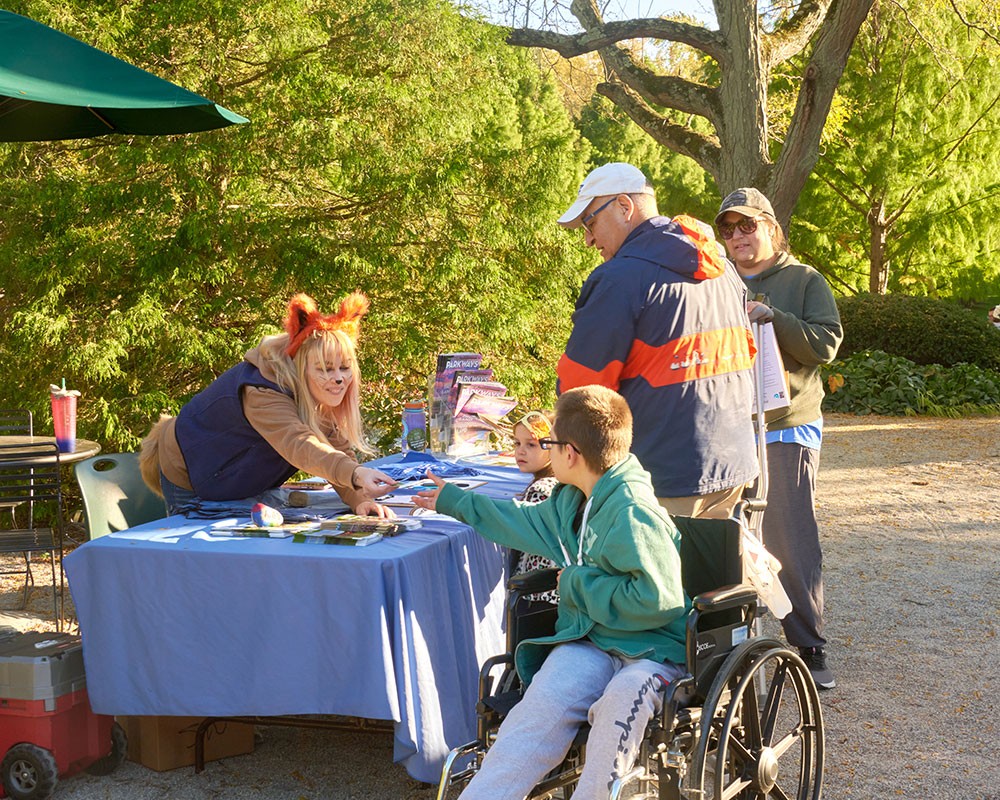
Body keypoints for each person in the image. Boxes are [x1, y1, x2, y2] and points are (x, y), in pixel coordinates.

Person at [414, 385, 689, 800]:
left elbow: (659, 598)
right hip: (593, 640)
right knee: (535, 714)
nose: (548, 450)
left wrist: (577, 582)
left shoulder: (633, 510)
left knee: (617, 707)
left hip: (652, 652)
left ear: (571, 453)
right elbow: (520, 521)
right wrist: (453, 500)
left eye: (550, 443)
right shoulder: (572, 500)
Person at [556, 162, 757, 520]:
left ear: (624, 206)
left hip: (657, 480)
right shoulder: (724, 270)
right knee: (718, 576)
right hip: (733, 467)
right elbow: (747, 355)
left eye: (590, 223)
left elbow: (581, 394)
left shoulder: (619, 280)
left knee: (650, 577)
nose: (587, 239)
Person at [715, 187, 844, 690]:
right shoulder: (715, 280)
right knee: (723, 529)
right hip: (727, 422)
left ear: (771, 227)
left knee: (789, 533)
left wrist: (777, 319)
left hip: (787, 424)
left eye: (747, 225)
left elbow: (826, 343)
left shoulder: (804, 279)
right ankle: (726, 640)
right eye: (727, 229)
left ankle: (807, 646)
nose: (737, 236)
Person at [139, 291, 397, 517]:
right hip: (190, 474)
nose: (338, 378)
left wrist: (359, 500)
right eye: (326, 369)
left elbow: (334, 448)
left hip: (236, 482)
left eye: (344, 368)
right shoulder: (263, 391)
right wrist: (354, 474)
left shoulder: (315, 389)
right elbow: (301, 445)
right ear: (302, 366)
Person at [510, 410, 559, 605]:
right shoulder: (558, 483)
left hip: (536, 596)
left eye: (531, 444)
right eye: (517, 443)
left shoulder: (541, 490)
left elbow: (519, 536)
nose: (521, 451)